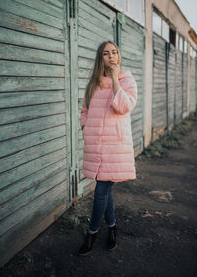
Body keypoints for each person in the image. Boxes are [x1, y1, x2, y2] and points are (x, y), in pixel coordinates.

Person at [78, 40, 137, 256]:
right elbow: (84, 109)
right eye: (106, 53)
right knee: (106, 190)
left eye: (114, 52)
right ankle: (112, 228)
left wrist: (115, 80)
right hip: (96, 145)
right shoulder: (93, 84)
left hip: (115, 147)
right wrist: (85, 126)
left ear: (118, 56)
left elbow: (123, 106)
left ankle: (91, 233)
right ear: (100, 58)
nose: (111, 56)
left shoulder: (127, 81)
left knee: (101, 190)